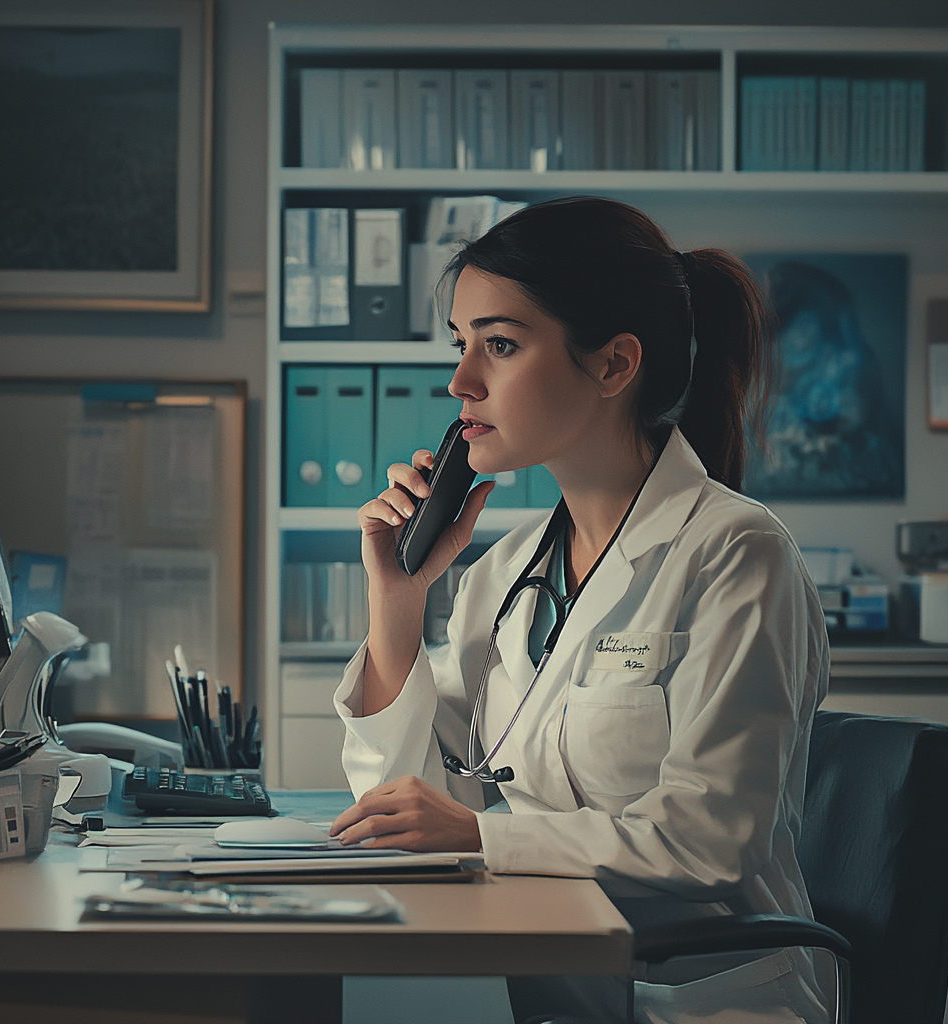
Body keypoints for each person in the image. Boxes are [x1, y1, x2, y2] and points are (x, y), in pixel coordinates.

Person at [328, 197, 831, 1024]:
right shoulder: (505, 572)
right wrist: (398, 603)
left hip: (705, 1001)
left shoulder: (738, 555)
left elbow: (709, 838)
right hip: (555, 981)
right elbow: (402, 807)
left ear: (612, 365)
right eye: (461, 346)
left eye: (500, 344)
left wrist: (480, 836)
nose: (460, 382)